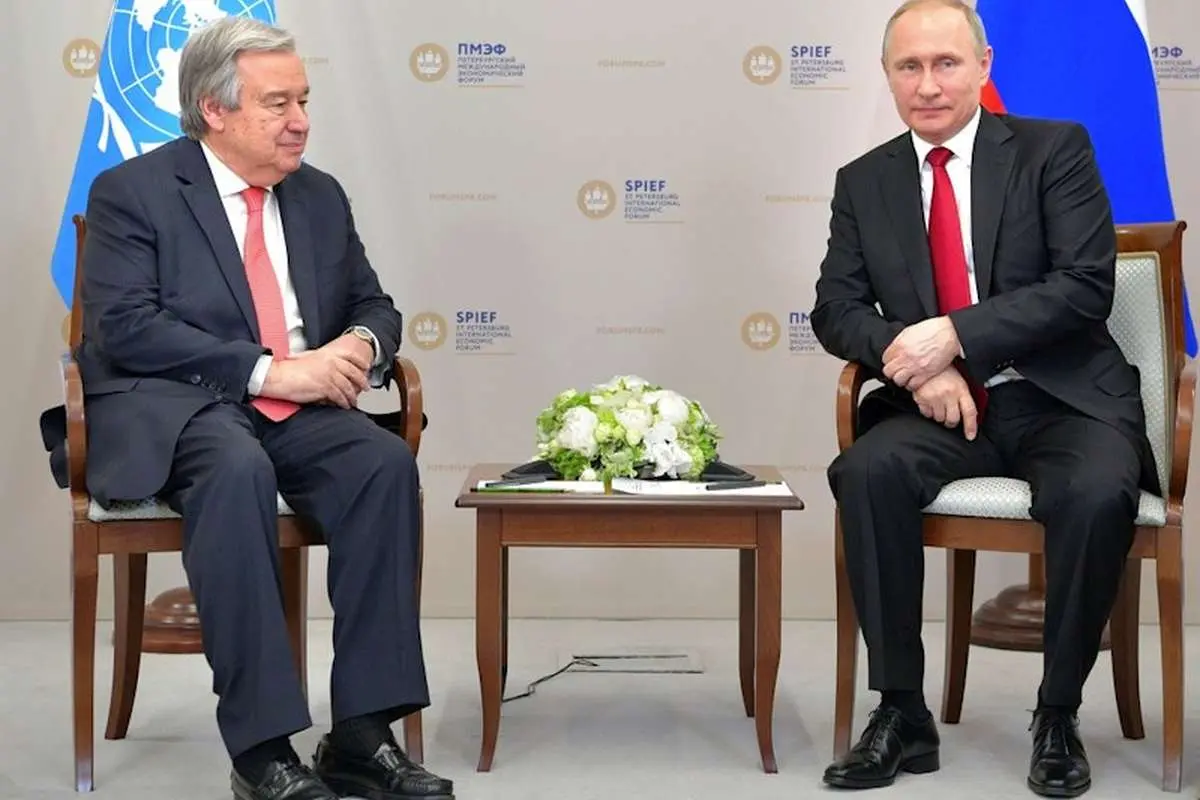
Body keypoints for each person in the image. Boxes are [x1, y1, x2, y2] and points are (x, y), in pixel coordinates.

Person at [59, 16, 452, 800]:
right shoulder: (133, 192)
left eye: (303, 100)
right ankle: (263, 750)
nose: (300, 120)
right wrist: (274, 372)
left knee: (381, 466)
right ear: (215, 109)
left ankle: (362, 735)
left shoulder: (318, 196)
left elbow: (373, 304)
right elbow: (125, 327)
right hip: (183, 408)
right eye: (278, 104)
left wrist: (360, 347)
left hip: (301, 414)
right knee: (235, 469)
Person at [811, 1, 1157, 797]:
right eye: (909, 66)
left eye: (946, 63)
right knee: (866, 472)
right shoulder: (863, 181)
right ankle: (902, 712)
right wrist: (917, 366)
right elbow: (836, 309)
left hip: (1061, 399)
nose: (928, 84)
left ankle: (1058, 714)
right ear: (888, 75)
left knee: (1096, 490)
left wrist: (954, 336)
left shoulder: (1053, 150)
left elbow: (1084, 286)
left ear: (983, 66)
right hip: (942, 410)